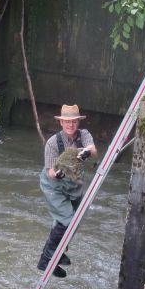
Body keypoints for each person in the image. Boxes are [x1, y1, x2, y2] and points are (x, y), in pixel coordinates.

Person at [37, 104, 98, 279]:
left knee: (74, 221)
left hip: (74, 186)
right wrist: (59, 173)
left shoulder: (84, 135)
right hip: (53, 187)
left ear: (78, 122)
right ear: (61, 122)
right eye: (67, 122)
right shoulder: (53, 143)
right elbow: (50, 172)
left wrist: (86, 153)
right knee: (67, 219)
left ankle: (59, 251)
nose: (70, 125)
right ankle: (46, 260)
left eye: (73, 122)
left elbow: (93, 150)